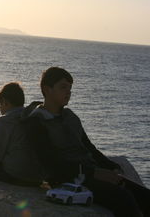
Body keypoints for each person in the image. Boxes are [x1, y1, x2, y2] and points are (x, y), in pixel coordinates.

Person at [23, 67, 149, 217]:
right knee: (123, 198)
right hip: (68, 180)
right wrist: (94, 173)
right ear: (47, 89)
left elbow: (89, 147)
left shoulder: (70, 117)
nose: (68, 92)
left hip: (89, 172)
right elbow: (51, 164)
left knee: (145, 197)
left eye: (70, 88)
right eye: (63, 87)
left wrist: (110, 167)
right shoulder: (36, 122)